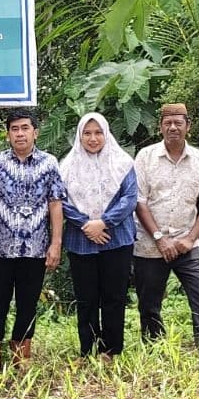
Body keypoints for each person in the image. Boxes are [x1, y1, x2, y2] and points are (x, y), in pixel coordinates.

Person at [0, 109, 66, 371]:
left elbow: (55, 204)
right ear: (7, 135)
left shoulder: (49, 163)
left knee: (27, 305)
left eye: (24, 128)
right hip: (0, 248)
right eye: (14, 129)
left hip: (35, 249)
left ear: (35, 132)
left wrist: (56, 243)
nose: (20, 133)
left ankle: (20, 361)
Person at [133, 102, 199, 346]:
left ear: (188, 126)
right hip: (150, 245)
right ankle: (154, 348)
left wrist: (190, 238)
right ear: (160, 127)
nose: (173, 127)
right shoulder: (145, 157)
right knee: (149, 302)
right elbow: (139, 202)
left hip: (186, 243)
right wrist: (160, 238)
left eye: (178, 123)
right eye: (168, 123)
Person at [62, 112, 138, 358]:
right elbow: (60, 201)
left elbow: (130, 198)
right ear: (79, 135)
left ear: (106, 134)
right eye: (87, 133)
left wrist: (104, 223)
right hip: (80, 240)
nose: (93, 138)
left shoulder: (122, 162)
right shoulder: (67, 166)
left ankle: (112, 350)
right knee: (86, 299)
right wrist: (86, 224)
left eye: (98, 133)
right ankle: (89, 349)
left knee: (114, 297)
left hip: (117, 239)